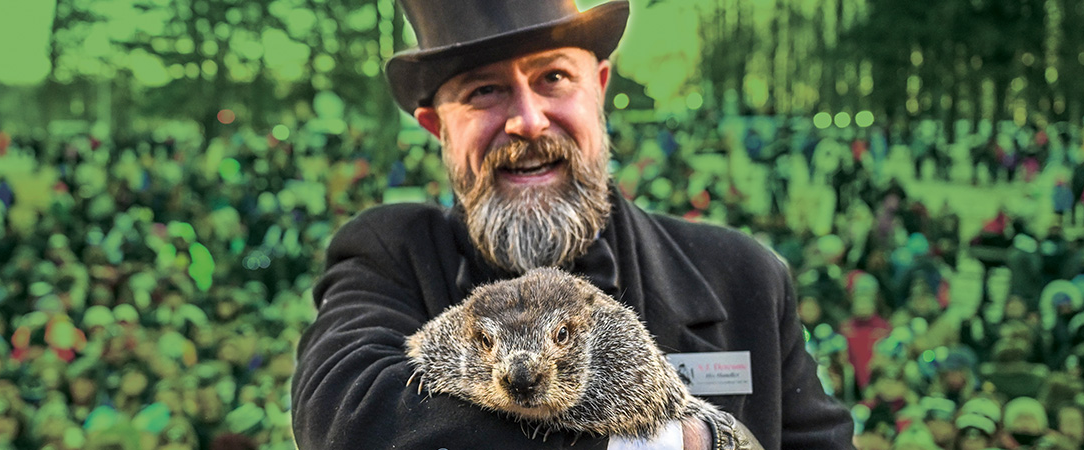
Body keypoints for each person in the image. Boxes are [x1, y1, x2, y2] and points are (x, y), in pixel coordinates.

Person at [290, 0, 854, 448]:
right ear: (437, 126)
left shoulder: (744, 274)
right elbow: (347, 415)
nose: (528, 121)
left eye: (554, 77)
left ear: (600, 88)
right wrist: (666, 442)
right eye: (484, 90)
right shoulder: (387, 254)